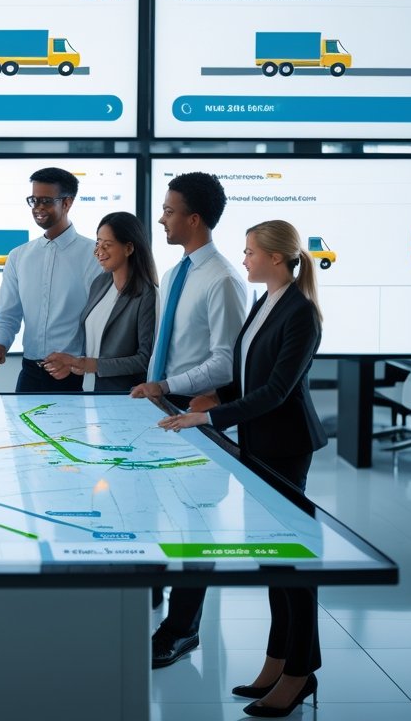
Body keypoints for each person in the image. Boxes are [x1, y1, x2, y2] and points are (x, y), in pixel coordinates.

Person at [159, 220, 325, 718]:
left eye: (251, 252)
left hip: (286, 445)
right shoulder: (266, 301)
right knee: (273, 562)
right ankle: (277, 662)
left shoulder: (301, 313)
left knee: (291, 565)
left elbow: (277, 391)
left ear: (276, 258)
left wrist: (208, 416)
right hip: (258, 442)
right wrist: (218, 395)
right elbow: (249, 372)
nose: (245, 259)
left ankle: (300, 672)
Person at [129, 171, 248, 669]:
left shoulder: (222, 278)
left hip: (197, 417)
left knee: (195, 526)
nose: (161, 219)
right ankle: (155, 599)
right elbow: (165, 344)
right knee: (158, 510)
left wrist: (167, 386)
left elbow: (226, 361)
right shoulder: (179, 273)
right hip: (164, 411)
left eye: (170, 211)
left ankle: (183, 631)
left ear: (194, 219)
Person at [0, 167, 100, 392]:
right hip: (28, 373)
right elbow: (8, 313)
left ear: (67, 203)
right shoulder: (18, 256)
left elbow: (100, 321)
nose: (38, 208)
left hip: (70, 376)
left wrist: (82, 362)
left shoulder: (94, 255)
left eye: (46, 201)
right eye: (34, 200)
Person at [41, 211, 157, 392]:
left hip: (124, 396)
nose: (98, 251)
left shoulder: (147, 294)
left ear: (129, 248)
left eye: (107, 245)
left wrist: (89, 365)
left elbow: (144, 360)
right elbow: (95, 346)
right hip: (91, 389)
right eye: (97, 243)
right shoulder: (100, 283)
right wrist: (74, 365)